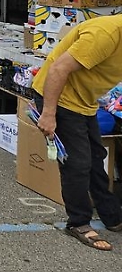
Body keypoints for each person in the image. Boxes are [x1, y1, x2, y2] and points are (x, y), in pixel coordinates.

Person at [32, 14, 122, 251]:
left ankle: (112, 216)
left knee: (96, 158)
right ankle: (78, 222)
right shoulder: (106, 34)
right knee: (78, 163)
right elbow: (58, 70)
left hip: (85, 101)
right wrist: (48, 114)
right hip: (60, 99)